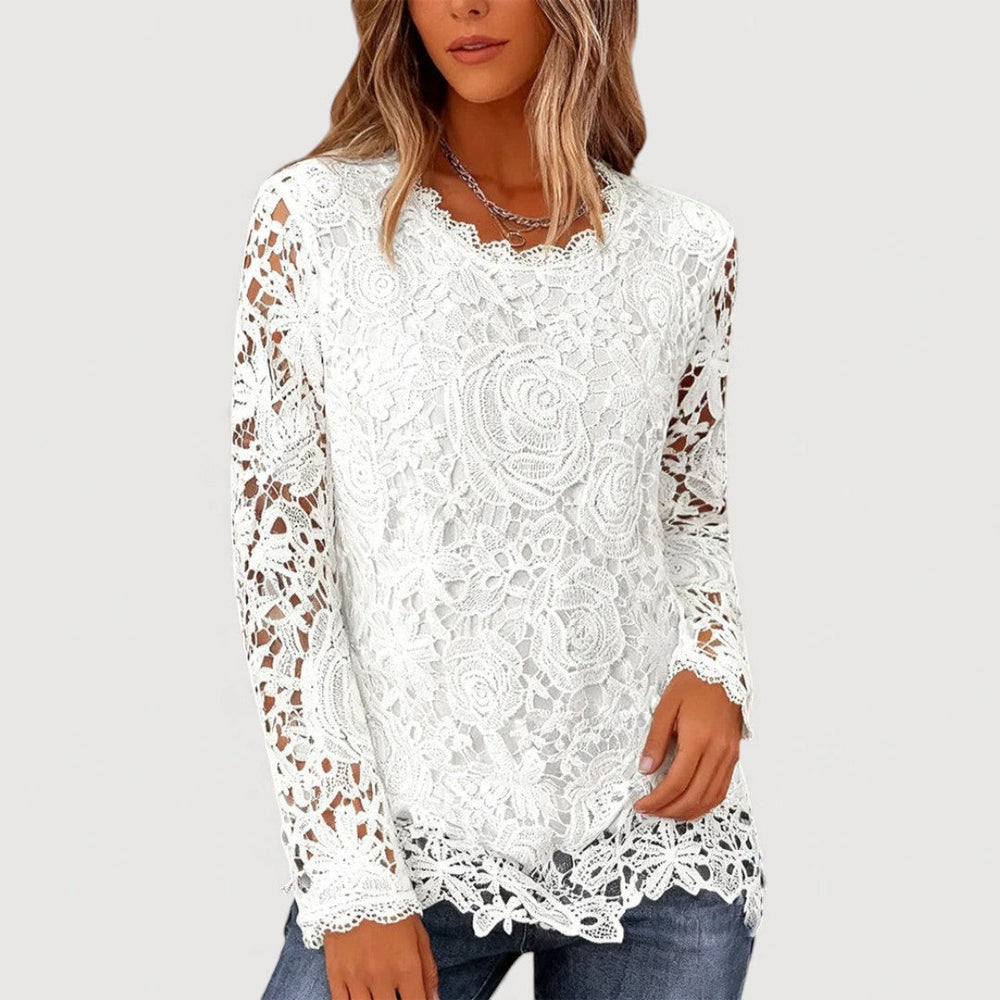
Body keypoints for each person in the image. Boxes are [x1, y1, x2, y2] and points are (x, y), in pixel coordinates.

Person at [229, 2, 765, 998]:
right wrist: (349, 871)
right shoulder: (312, 221)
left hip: (656, 839)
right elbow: (282, 565)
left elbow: (687, 509)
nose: (464, 6)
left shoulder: (688, 249)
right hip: (407, 844)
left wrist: (714, 663)